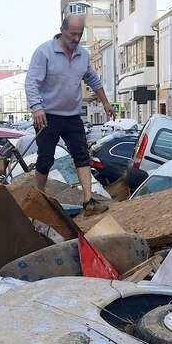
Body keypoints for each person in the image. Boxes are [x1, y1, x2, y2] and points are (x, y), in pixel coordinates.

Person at [25, 14, 115, 216]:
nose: (76, 38)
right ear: (62, 30)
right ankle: (39, 197)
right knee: (45, 158)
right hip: (47, 115)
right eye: (73, 34)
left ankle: (89, 202)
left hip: (72, 116)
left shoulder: (82, 55)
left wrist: (106, 103)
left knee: (82, 156)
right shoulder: (44, 52)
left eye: (80, 34)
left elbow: (93, 78)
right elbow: (32, 82)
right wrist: (37, 107)